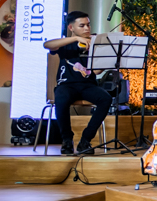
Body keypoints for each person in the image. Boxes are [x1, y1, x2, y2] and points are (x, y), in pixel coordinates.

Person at [43, 11, 112, 155]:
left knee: (105, 98)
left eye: (88, 25)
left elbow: (97, 72)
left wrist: (108, 60)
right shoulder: (65, 44)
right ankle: (67, 139)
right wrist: (74, 39)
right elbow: (47, 44)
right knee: (61, 97)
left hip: (88, 85)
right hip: (67, 85)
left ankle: (85, 140)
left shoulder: (95, 44)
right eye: (82, 26)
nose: (87, 28)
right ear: (71, 27)